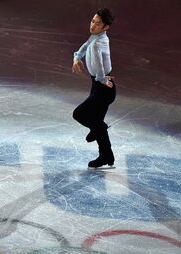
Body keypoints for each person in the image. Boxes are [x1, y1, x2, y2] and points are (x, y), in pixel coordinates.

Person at [72, 8, 116, 168]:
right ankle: (106, 156)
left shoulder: (99, 42)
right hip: (99, 86)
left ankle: (100, 127)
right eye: (93, 21)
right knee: (97, 126)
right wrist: (77, 58)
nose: (93, 25)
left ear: (106, 27)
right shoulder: (95, 37)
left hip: (104, 88)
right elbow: (84, 47)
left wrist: (102, 78)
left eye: (98, 24)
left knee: (80, 114)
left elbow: (98, 64)